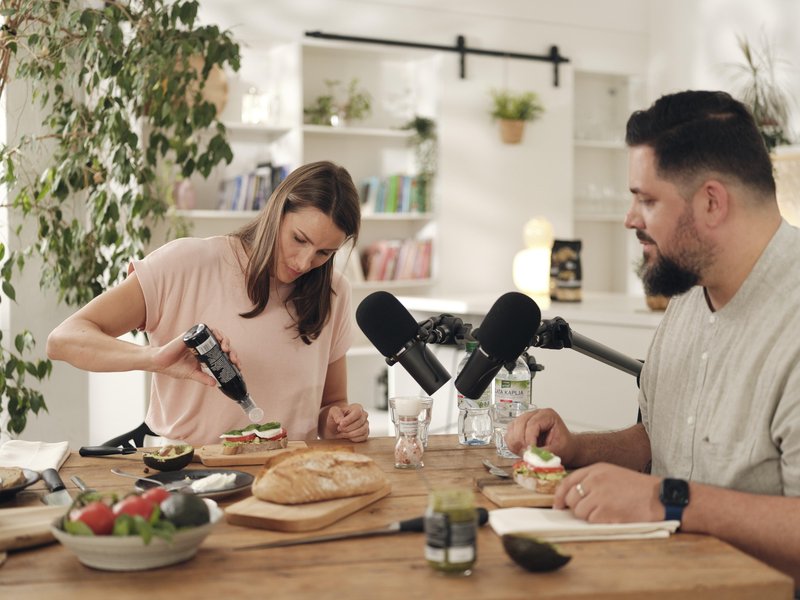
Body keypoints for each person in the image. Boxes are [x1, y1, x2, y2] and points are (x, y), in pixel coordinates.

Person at [506, 90, 800, 587]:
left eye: (646, 199)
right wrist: (576, 447)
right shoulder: (689, 293)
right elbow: (665, 441)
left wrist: (666, 499)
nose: (630, 219)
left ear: (711, 202)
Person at [47, 160, 370, 446]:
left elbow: (331, 403)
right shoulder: (186, 263)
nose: (303, 262)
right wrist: (155, 358)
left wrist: (339, 422)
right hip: (188, 473)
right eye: (299, 239)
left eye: (324, 253)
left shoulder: (334, 292)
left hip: (290, 472)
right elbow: (64, 340)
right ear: (276, 212)